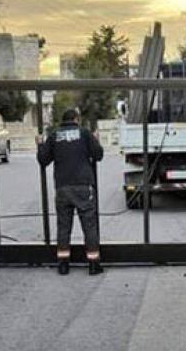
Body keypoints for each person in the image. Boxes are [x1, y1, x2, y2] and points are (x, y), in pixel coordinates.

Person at [37, 109, 104, 275]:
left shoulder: (54, 136)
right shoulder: (84, 133)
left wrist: (40, 144)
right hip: (83, 186)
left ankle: (63, 265)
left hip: (63, 187)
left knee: (63, 227)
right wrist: (96, 140)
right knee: (89, 226)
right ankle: (93, 264)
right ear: (76, 119)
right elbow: (98, 155)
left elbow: (43, 160)